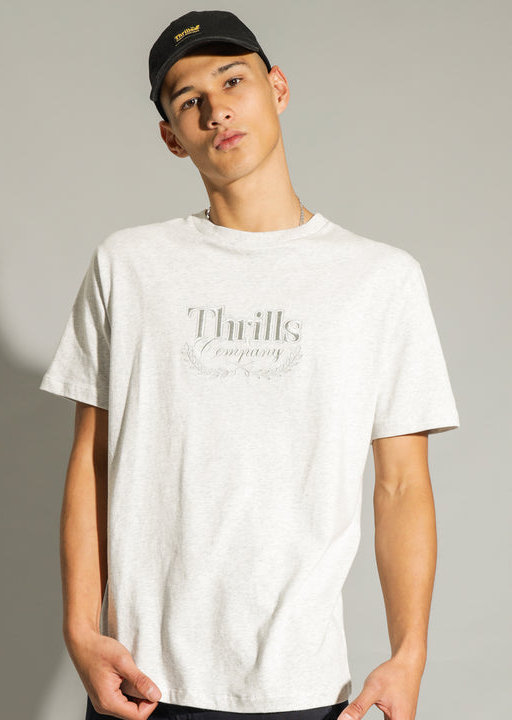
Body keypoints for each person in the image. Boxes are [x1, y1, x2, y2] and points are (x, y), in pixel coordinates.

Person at [39, 10, 460, 720]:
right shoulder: (129, 267)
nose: (217, 110)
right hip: (146, 686)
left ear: (278, 88)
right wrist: (81, 630)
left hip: (305, 688)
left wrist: (409, 653)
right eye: (189, 100)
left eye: (233, 80)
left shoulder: (380, 280)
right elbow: (92, 461)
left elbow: (401, 486)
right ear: (172, 137)